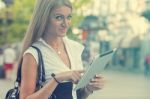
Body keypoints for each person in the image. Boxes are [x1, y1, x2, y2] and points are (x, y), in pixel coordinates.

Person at [19, 0, 105, 99]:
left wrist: (89, 89)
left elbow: (76, 95)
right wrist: (57, 79)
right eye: (58, 17)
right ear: (44, 19)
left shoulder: (74, 48)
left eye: (68, 17)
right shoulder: (33, 54)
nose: (65, 24)